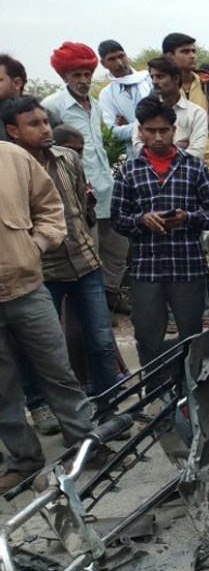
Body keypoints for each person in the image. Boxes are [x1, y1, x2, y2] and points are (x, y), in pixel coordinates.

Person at [2, 96, 119, 397]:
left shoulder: (68, 158)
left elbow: (81, 205)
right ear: (12, 131)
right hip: (41, 273)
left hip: (85, 264)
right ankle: (40, 405)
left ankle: (110, 405)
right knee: (40, 348)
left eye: (45, 122)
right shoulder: (9, 171)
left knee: (102, 340)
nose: (44, 129)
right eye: (34, 124)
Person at [0, 139, 94, 492]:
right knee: (2, 388)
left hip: (26, 287)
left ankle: (86, 445)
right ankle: (23, 460)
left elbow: (50, 206)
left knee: (58, 371)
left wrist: (37, 243)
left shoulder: (12, 157)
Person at [111, 97, 209, 364]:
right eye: (151, 131)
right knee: (148, 337)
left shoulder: (194, 167)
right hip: (146, 268)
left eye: (164, 130)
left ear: (174, 130)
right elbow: (118, 219)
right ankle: (156, 391)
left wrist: (187, 217)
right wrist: (141, 220)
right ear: (140, 132)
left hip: (188, 265)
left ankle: (190, 392)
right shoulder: (129, 171)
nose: (158, 137)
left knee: (191, 336)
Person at [42, 42, 129, 315]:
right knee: (88, 252)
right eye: (76, 75)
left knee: (118, 248)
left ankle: (110, 296)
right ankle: (93, 309)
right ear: (64, 77)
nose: (83, 80)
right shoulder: (52, 106)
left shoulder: (96, 103)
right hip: (78, 193)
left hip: (107, 188)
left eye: (86, 74)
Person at [162, 33, 209, 289]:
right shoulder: (159, 93)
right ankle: (206, 297)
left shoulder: (208, 86)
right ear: (169, 57)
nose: (192, 56)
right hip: (179, 175)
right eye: (185, 51)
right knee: (188, 237)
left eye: (193, 51)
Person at [134, 57, 209, 158]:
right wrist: (178, 147)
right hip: (151, 173)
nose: (154, 82)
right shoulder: (146, 111)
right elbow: (137, 147)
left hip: (186, 173)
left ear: (176, 78)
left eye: (160, 77)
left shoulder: (196, 113)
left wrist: (155, 150)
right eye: (152, 77)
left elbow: (197, 152)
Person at [96, 40, 153, 161]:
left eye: (121, 56)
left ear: (126, 55)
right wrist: (144, 126)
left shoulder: (150, 78)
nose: (119, 63)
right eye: (112, 59)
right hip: (136, 157)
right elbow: (112, 132)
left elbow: (168, 114)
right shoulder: (107, 95)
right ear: (103, 63)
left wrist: (129, 126)